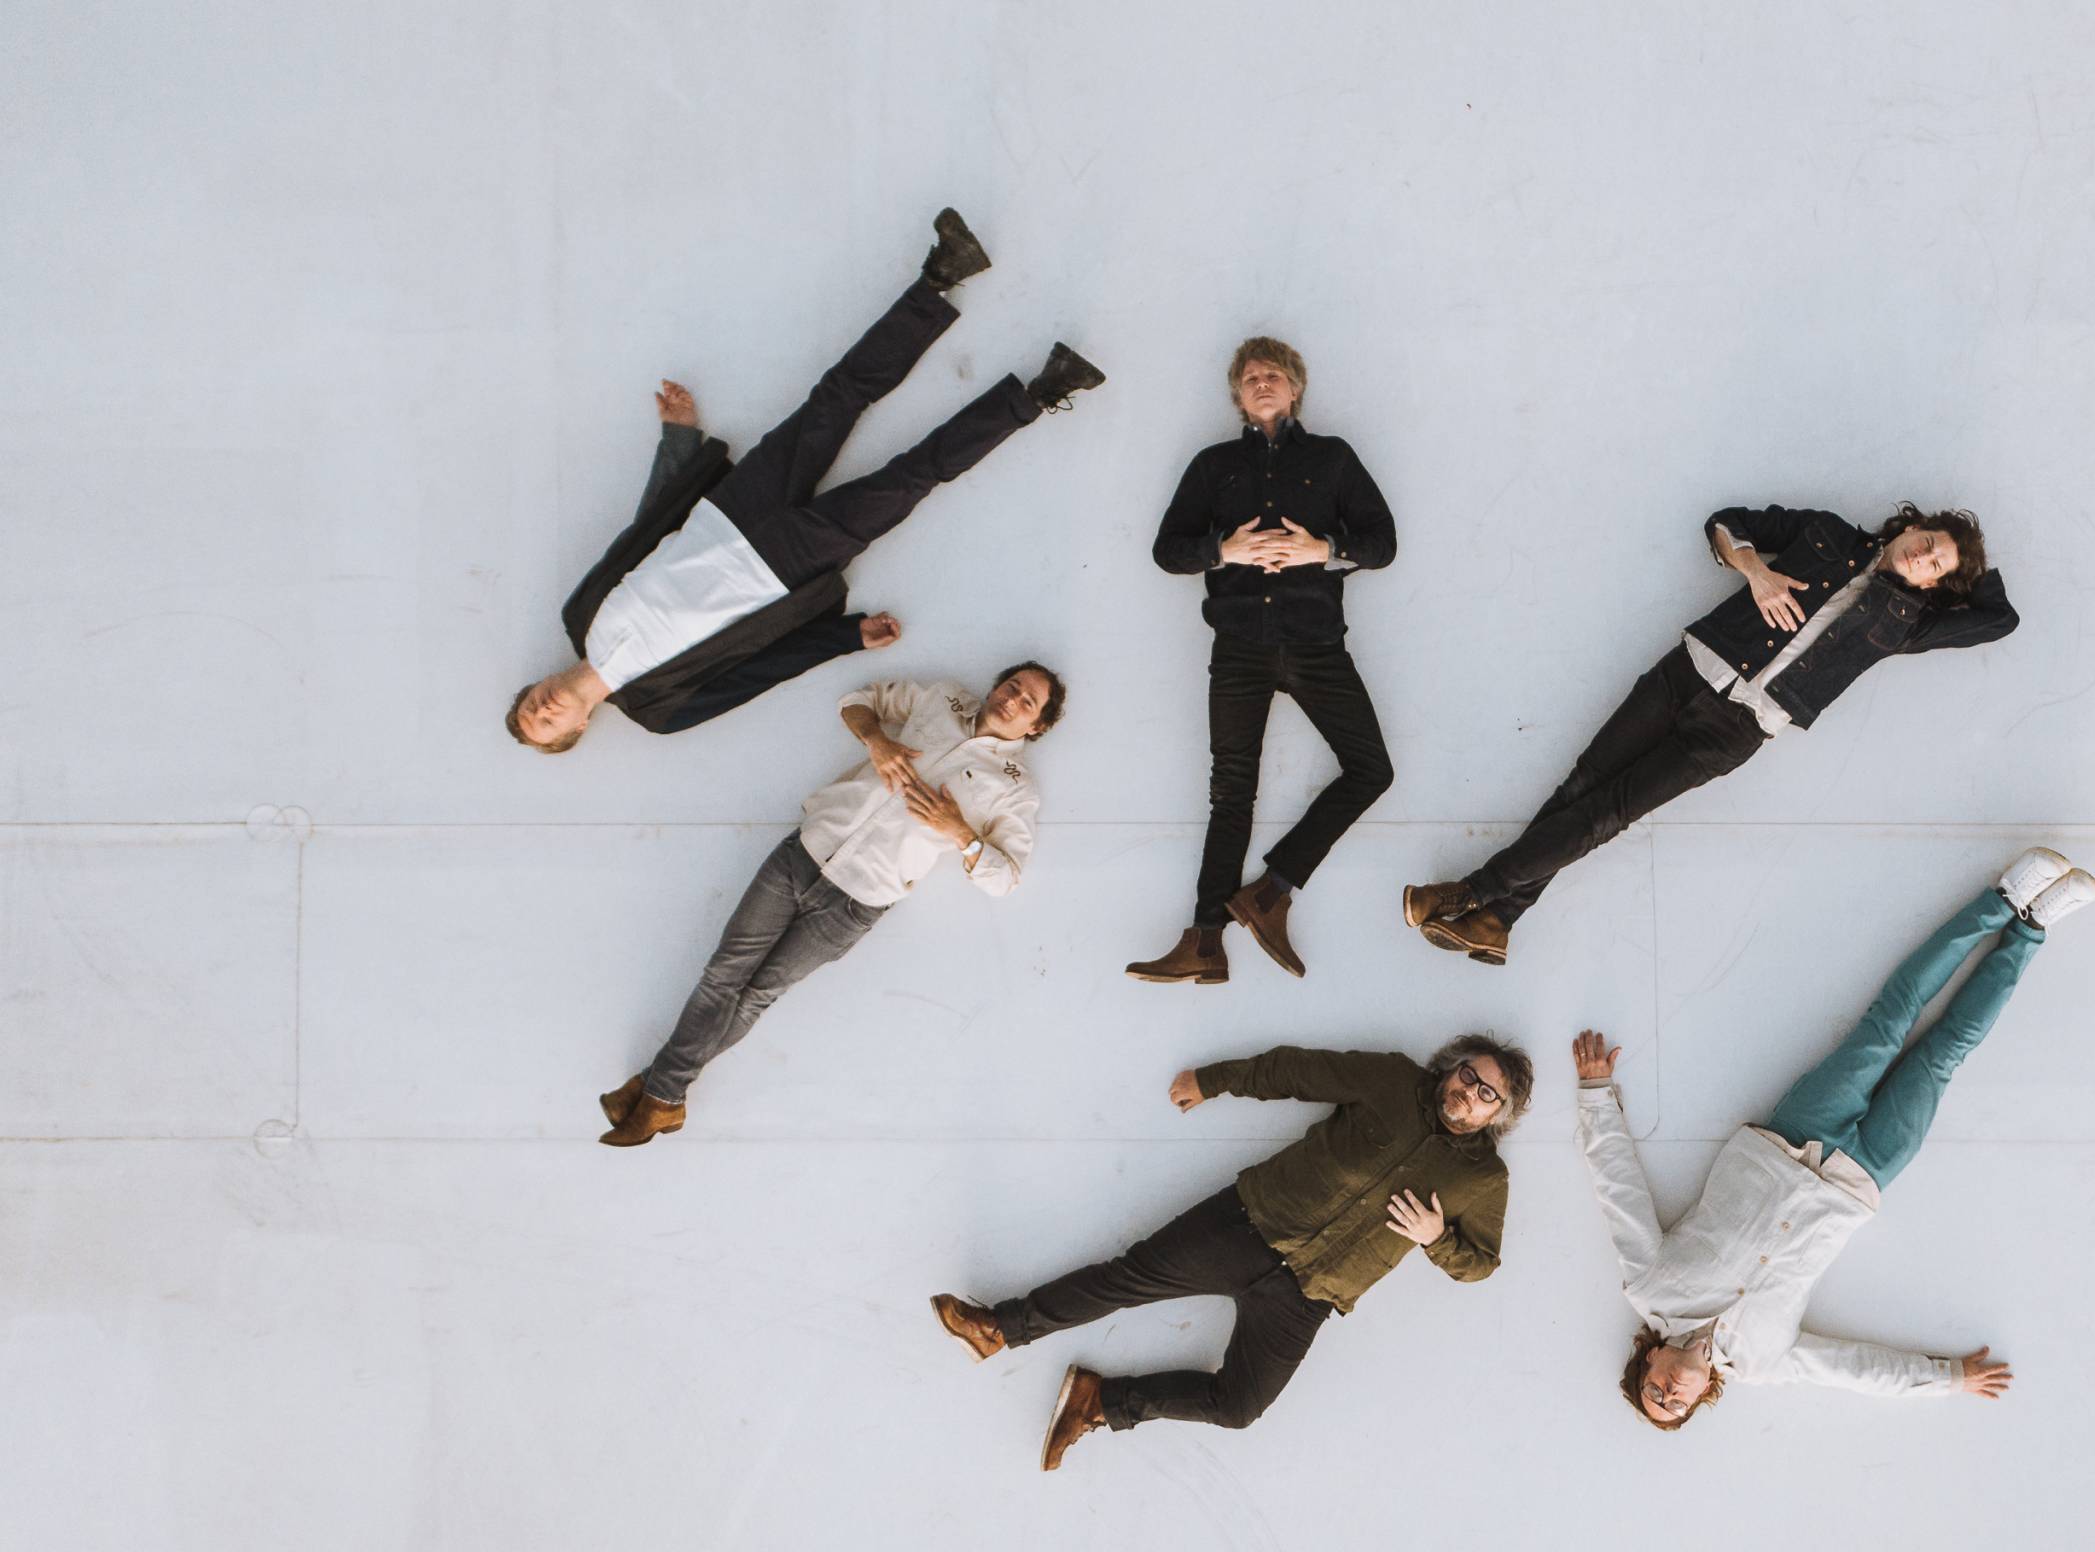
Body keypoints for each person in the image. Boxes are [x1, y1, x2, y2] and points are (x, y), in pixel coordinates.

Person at [509, 209, 1103, 751]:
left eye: (532, 705)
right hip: (779, 569)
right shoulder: (657, 709)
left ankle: (941, 276)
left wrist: (678, 442)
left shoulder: (579, 613)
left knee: (835, 399)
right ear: (578, 728)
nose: (544, 710)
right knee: (911, 478)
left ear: (535, 685)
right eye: (547, 725)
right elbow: (759, 673)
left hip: (730, 510)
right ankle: (1041, 392)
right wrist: (843, 638)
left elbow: (643, 532)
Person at [1571, 848, 2095, 1428]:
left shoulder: (1651, 1288)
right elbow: (1857, 1371)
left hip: (1793, 1139)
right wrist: (1948, 1378)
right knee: (1945, 1053)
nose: (1670, 1391)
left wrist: (1595, 1095)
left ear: (1649, 1359)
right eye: (1676, 1404)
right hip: (1863, 1177)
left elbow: (1619, 1193)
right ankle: (2031, 929)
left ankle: (2002, 899)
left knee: (1890, 1020)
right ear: (1700, 1399)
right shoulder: (1764, 1361)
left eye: (1654, 1389)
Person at [1403, 501, 2018, 964]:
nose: (1923, 557)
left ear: (1932, 584)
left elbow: (1999, 619)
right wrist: (1756, 572)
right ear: (1912, 525)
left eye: (1935, 565)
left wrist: (1968, 563)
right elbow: (1726, 523)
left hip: (1736, 728)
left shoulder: (1908, 622)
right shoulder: (1827, 531)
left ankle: (1469, 895)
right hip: (1688, 671)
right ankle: (1498, 921)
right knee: (1581, 788)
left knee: (1609, 813)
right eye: (1928, 542)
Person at [928, 1035, 1531, 1470]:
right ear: (1450, 1067)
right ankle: (997, 1329)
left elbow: (1481, 1263)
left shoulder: (1484, 1180)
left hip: (1309, 1296)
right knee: (1124, 1279)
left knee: (1239, 1407)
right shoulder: (1393, 1080)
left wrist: (1436, 1238)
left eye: (1487, 1094)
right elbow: (1298, 1071)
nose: (1469, 1092)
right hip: (1248, 1223)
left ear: (1498, 1115)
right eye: (1467, 1075)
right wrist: (1215, 1080)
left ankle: (1100, 1402)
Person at [595, 664, 1064, 1146]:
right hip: (803, 854)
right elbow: (859, 700)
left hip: (857, 902)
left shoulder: (1015, 788)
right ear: (997, 684)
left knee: (755, 995)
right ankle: (663, 1098)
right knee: (723, 975)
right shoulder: (943, 698)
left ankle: (657, 1089)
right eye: (1012, 686)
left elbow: (1006, 877)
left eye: (1028, 702)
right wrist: (876, 741)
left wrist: (960, 831)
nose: (1012, 699)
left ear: (1036, 726)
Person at [1123, 338, 1398, 984]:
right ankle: (1204, 942)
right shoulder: (1213, 465)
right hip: (1239, 648)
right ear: (1238, 396)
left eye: (1274, 374)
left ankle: (1272, 891)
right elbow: (1167, 551)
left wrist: (1320, 550)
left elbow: (1383, 543)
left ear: (1295, 388)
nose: (1262, 382)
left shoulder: (1333, 458)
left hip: (1315, 644)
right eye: (1250, 377)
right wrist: (1226, 551)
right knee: (1231, 791)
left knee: (1371, 770)